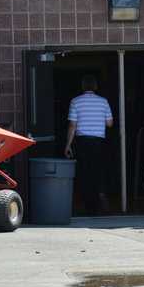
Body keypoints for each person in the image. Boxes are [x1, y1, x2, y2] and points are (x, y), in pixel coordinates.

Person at [64, 75, 113, 214]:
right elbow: (110, 123)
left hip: (83, 141)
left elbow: (72, 125)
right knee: (98, 172)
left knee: (85, 173)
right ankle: (100, 202)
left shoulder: (75, 102)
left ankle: (88, 206)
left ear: (82, 86)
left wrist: (68, 145)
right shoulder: (103, 102)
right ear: (96, 86)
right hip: (99, 141)